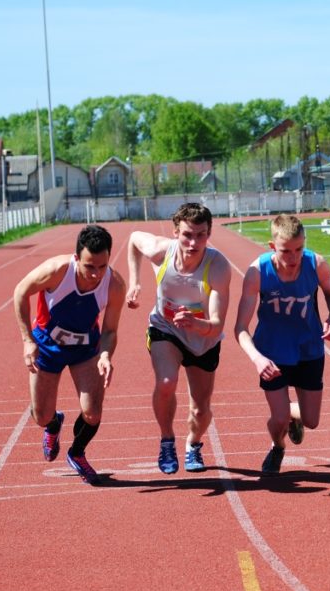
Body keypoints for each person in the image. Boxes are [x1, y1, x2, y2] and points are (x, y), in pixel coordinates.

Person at [12, 225, 126, 485]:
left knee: (93, 412)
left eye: (102, 266)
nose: (96, 274)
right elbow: (20, 291)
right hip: (47, 346)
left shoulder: (114, 284)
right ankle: (53, 424)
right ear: (76, 258)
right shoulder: (56, 271)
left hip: (85, 349)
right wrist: (27, 340)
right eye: (89, 266)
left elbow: (109, 330)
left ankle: (77, 453)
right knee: (41, 415)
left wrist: (106, 355)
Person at [127, 203, 231, 474]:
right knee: (166, 382)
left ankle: (193, 444)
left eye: (201, 235)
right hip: (166, 328)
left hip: (203, 339)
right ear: (175, 233)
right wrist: (135, 281)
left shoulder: (217, 266)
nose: (193, 242)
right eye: (187, 234)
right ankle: (166, 440)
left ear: (209, 235)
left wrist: (195, 323)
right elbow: (134, 239)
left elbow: (218, 324)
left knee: (200, 409)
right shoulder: (161, 251)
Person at [234, 214, 330, 475]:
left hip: (309, 347)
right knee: (279, 418)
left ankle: (296, 415)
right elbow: (240, 328)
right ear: (272, 247)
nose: (294, 258)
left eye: (299, 249)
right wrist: (257, 359)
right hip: (272, 352)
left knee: (312, 421)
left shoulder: (316, 264)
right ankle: (277, 445)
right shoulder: (257, 273)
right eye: (286, 251)